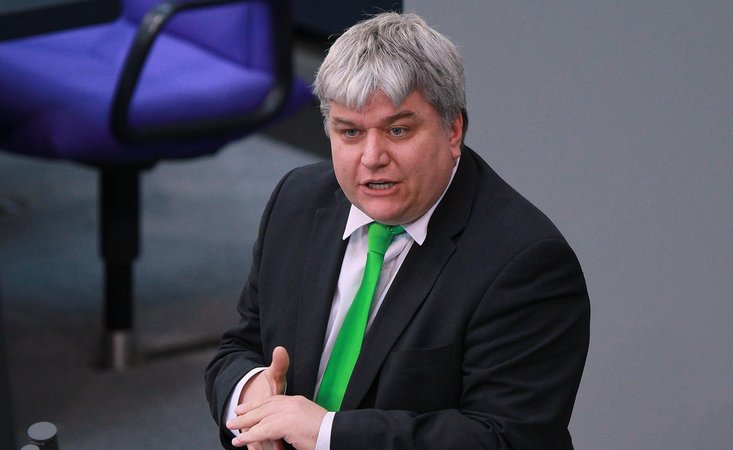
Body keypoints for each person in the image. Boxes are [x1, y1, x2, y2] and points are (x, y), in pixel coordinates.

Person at [205, 11, 590, 450]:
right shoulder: (297, 200)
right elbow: (241, 344)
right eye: (349, 132)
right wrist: (251, 392)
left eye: (398, 130)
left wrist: (325, 434)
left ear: (453, 130)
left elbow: (505, 439)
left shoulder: (525, 263)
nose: (372, 157)